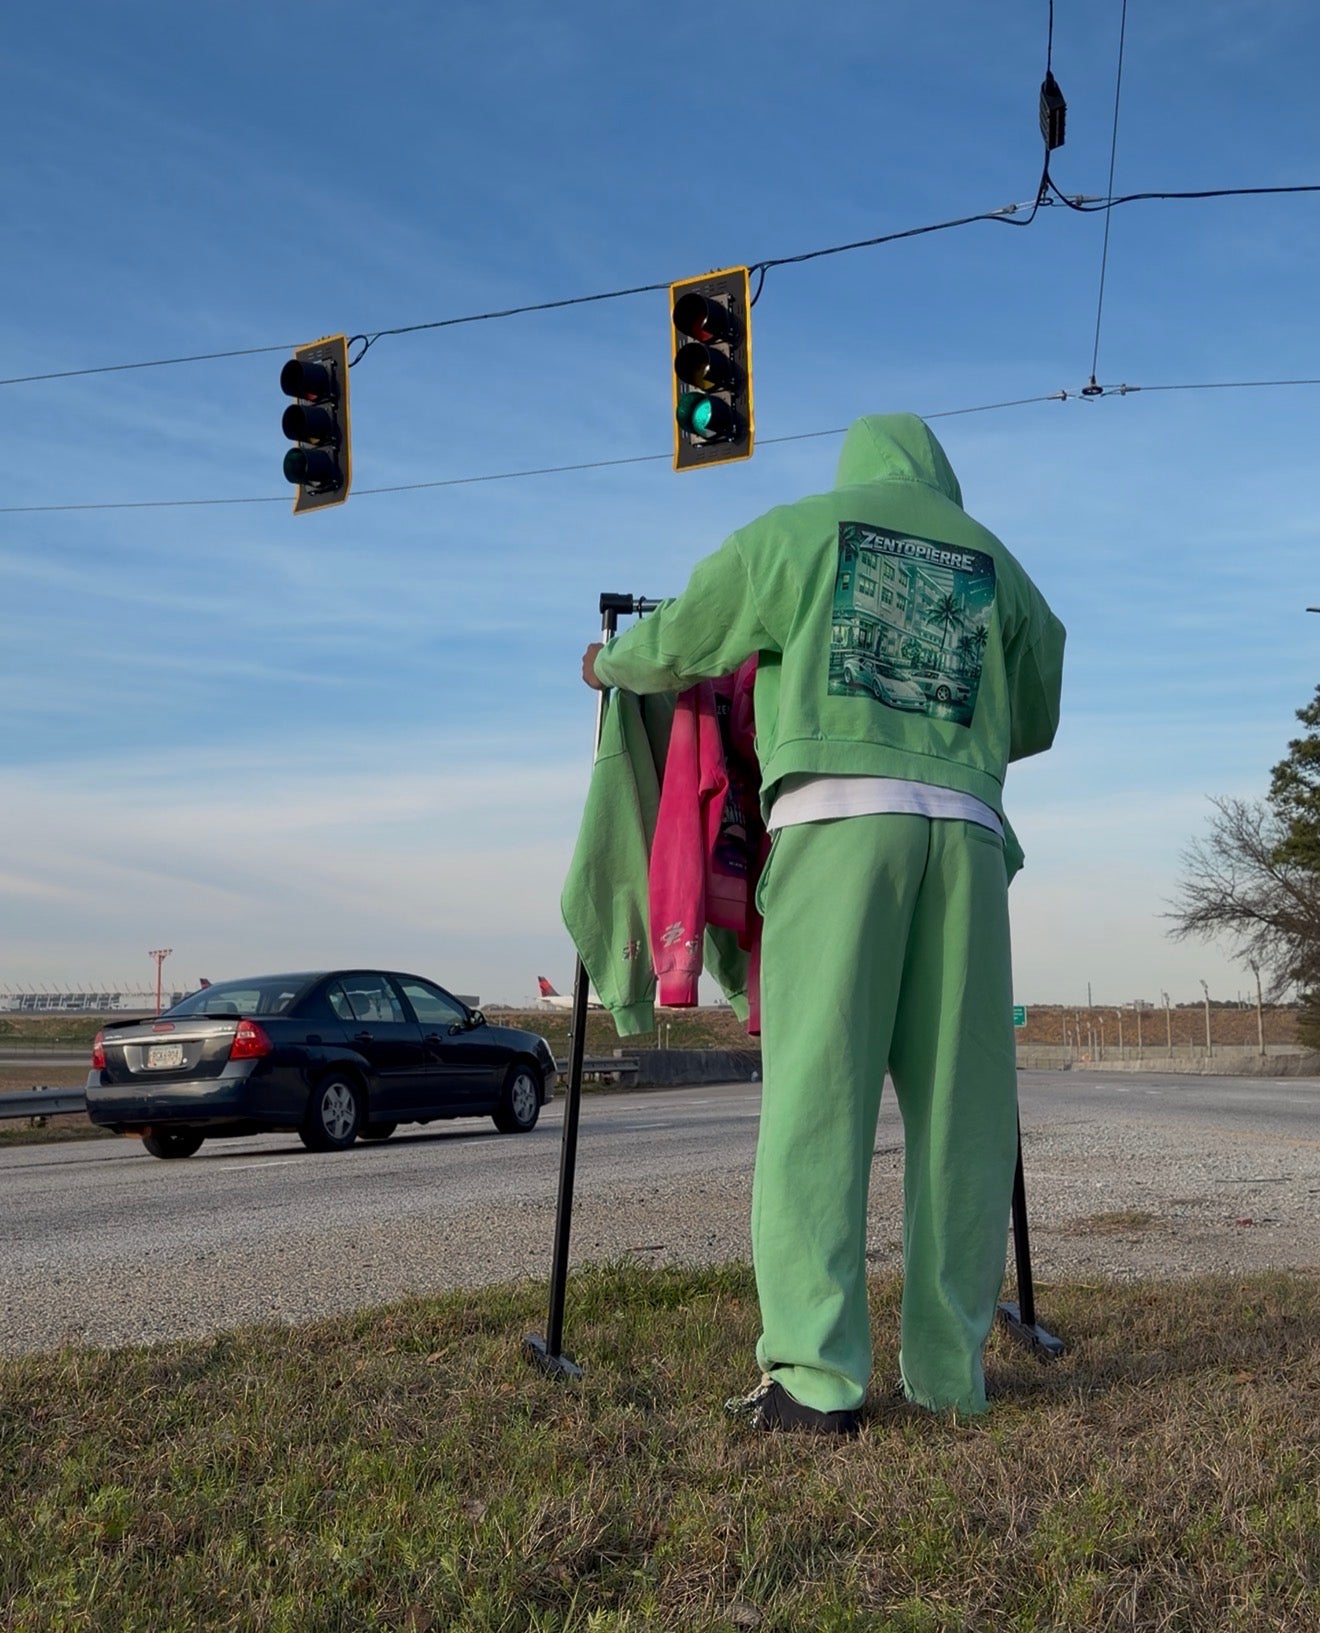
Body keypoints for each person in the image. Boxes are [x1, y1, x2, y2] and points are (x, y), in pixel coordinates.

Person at [581, 413, 1065, 1432]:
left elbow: (689, 630)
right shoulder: (998, 564)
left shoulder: (802, 530)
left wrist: (612, 662)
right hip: (968, 836)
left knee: (819, 1097)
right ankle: (951, 1376)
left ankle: (815, 1377)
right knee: (964, 1108)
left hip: (838, 824)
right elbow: (1038, 709)